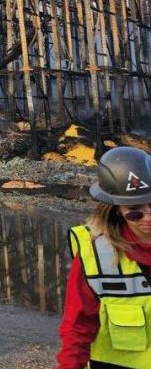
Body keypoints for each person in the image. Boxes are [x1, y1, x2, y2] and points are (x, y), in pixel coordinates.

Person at [57, 145, 151, 369]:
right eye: (135, 210)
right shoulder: (95, 254)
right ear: (117, 208)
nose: (149, 217)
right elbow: (77, 326)